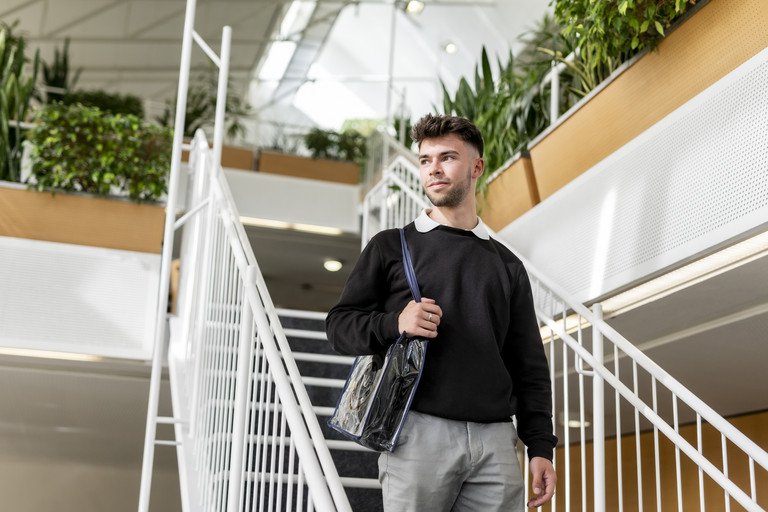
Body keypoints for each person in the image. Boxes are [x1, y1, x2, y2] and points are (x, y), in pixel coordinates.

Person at [326, 113, 557, 511]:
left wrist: (540, 446)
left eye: (447, 157)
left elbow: (529, 365)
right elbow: (339, 326)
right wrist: (394, 322)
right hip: (417, 433)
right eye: (425, 160)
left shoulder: (507, 265)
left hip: (496, 443)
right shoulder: (390, 247)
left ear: (476, 167)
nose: (433, 169)